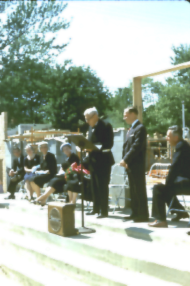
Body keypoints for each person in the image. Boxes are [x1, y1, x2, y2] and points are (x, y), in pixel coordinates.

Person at [149, 126, 190, 228]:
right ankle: (180, 212)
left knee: (158, 188)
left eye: (168, 136)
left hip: (187, 182)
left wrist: (167, 182)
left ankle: (160, 220)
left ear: (175, 137)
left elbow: (174, 167)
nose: (167, 138)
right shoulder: (183, 145)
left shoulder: (181, 146)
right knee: (166, 189)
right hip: (185, 180)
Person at [84, 107, 115, 218]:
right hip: (93, 160)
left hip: (103, 160)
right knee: (94, 186)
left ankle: (104, 211)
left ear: (95, 116)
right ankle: (95, 208)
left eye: (88, 119)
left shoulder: (106, 126)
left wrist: (93, 148)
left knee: (102, 186)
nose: (87, 121)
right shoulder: (90, 127)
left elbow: (108, 143)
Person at [120, 106, 149, 223]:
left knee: (139, 189)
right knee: (133, 190)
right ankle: (135, 212)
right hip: (130, 165)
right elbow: (127, 147)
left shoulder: (140, 128)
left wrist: (125, 159)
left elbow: (136, 147)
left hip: (137, 164)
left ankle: (143, 214)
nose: (124, 117)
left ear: (133, 114)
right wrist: (126, 161)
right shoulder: (131, 129)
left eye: (126, 114)